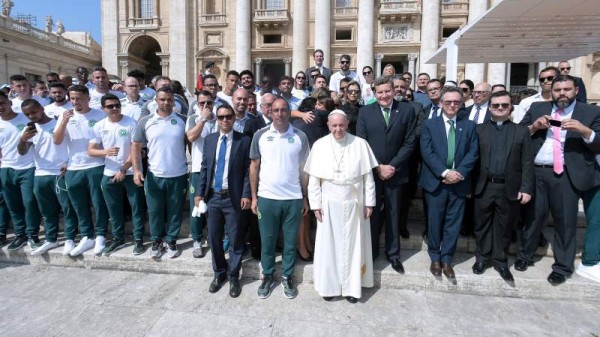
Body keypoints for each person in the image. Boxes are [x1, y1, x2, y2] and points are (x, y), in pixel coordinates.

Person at [515, 75, 600, 286]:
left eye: (567, 89)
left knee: (565, 222)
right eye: (558, 90)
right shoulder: (537, 108)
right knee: (532, 218)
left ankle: (562, 267)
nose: (562, 93)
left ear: (576, 91)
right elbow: (517, 134)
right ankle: (524, 256)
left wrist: (584, 131)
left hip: (566, 175)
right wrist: (534, 126)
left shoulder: (591, 112)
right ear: (551, 91)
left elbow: (599, 142)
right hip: (537, 171)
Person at [305, 110, 378, 303]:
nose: (338, 129)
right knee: (329, 245)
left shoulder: (360, 144)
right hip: (328, 203)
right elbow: (314, 180)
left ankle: (352, 288)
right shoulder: (320, 145)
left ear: (347, 124)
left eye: (341, 125)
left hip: (355, 201)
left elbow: (368, 177)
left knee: (354, 245)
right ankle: (330, 287)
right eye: (334, 126)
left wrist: (370, 202)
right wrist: (315, 205)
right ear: (328, 126)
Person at [250, 98, 310, 300]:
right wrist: (253, 197)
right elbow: (254, 167)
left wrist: (304, 197)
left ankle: (287, 276)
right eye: (275, 110)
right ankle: (267, 276)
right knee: (267, 242)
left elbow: (304, 170)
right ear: (270, 112)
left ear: (289, 111)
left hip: (293, 198)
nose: (280, 113)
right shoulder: (260, 135)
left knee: (290, 242)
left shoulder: (300, 136)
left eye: (284, 110)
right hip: (267, 198)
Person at [356, 76, 417, 274]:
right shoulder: (365, 112)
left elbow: (410, 142)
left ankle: (394, 255)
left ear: (394, 91)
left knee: (393, 214)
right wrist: (377, 168)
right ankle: (371, 252)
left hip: (396, 173)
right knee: (371, 214)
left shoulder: (407, 110)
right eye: (379, 92)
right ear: (375, 93)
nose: (383, 95)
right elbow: (361, 143)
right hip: (372, 174)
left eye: (387, 91)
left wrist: (392, 166)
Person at [472, 91, 534, 282]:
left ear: (511, 108)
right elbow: (472, 160)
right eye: (496, 105)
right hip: (484, 186)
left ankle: (500, 261)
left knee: (505, 227)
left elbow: (527, 162)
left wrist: (526, 188)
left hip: (510, 188)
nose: (500, 108)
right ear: (489, 107)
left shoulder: (521, 131)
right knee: (481, 225)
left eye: (504, 105)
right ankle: (482, 258)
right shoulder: (478, 129)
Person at [419, 87, 478, 282]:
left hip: (459, 183)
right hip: (437, 182)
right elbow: (427, 152)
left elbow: (473, 153)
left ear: (462, 104)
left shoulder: (469, 125)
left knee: (453, 224)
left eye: (456, 102)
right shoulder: (429, 124)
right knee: (435, 222)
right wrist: (445, 172)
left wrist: (458, 173)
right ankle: (435, 257)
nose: (452, 105)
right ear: (441, 103)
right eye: (448, 102)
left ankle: (447, 260)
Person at [195, 105, 252, 298]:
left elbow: (247, 171)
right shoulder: (210, 140)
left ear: (234, 118)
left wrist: (246, 194)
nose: (225, 120)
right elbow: (205, 167)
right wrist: (199, 193)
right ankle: (219, 273)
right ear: (216, 119)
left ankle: (234, 276)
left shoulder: (243, 140)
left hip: (233, 197)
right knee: (214, 238)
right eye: (221, 117)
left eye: (228, 117)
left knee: (236, 239)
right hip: (213, 197)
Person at [53, 85, 109, 256]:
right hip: (74, 168)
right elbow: (56, 140)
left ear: (87, 98)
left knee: (98, 203)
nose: (75, 102)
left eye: (79, 98)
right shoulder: (65, 116)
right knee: (79, 204)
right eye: (72, 98)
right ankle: (87, 235)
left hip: (96, 166)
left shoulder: (100, 115)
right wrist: (63, 121)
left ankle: (100, 235)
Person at [132, 87, 188, 259]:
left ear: (174, 101)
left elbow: (191, 143)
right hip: (154, 175)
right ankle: (157, 240)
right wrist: (136, 170)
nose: (166, 102)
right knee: (155, 211)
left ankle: (171, 240)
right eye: (162, 99)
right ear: (156, 100)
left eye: (169, 99)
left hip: (178, 174)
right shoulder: (145, 121)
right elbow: (135, 145)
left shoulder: (182, 120)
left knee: (175, 211)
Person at [88, 93, 145, 256]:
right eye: (110, 106)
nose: (114, 109)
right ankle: (117, 238)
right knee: (114, 210)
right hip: (109, 173)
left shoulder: (131, 123)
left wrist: (123, 169)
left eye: (117, 105)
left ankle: (138, 239)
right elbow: (90, 150)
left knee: (136, 208)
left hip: (130, 173)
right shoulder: (99, 126)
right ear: (103, 108)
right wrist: (105, 151)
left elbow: (137, 151)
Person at [19, 99, 77, 255]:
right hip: (40, 174)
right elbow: (22, 151)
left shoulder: (59, 123)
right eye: (27, 114)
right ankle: (51, 239)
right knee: (47, 210)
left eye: (33, 111)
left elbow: (73, 144)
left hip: (60, 172)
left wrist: (69, 163)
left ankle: (70, 238)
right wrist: (23, 139)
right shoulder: (30, 129)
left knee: (67, 208)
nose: (31, 116)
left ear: (41, 108)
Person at [0, 92, 42, 250]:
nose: (0, 107)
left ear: (10, 102)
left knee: (30, 202)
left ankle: (32, 234)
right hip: (6, 168)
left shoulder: (26, 120)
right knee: (12, 204)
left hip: (27, 167)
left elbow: (28, 146)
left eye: (2, 103)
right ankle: (20, 235)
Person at [186, 90, 218, 258]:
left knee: (214, 207)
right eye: (201, 103)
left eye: (209, 103)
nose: (206, 106)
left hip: (217, 170)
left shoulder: (220, 118)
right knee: (196, 206)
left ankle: (212, 238)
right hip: (199, 169)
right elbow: (191, 137)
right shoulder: (193, 118)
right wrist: (203, 119)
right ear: (197, 104)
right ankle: (196, 240)